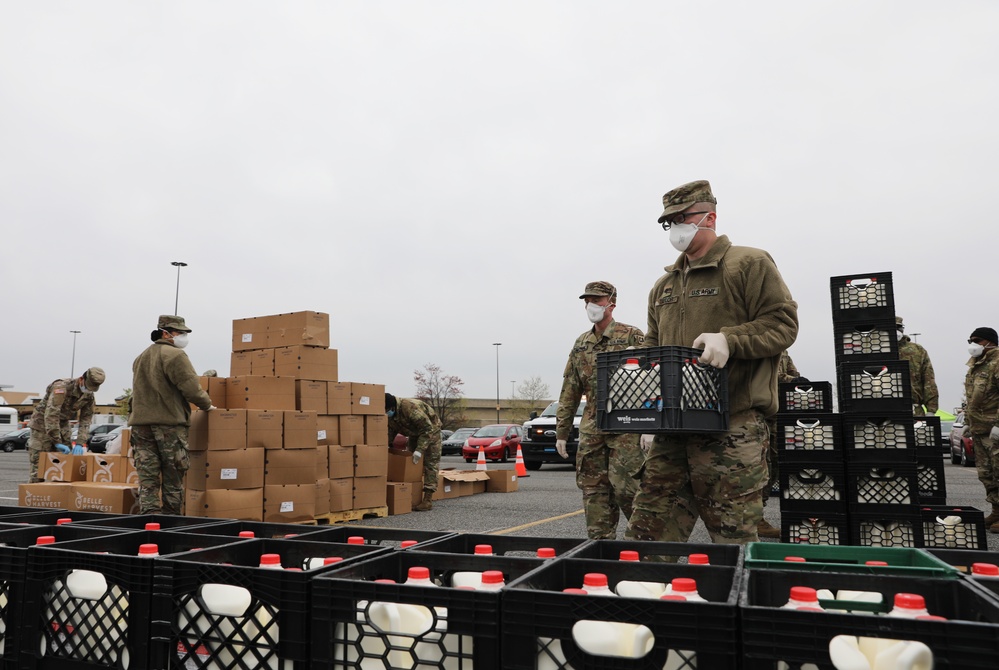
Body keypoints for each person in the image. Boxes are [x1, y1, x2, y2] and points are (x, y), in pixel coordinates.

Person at [626, 179, 798, 545]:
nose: (675, 229)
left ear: (709, 216)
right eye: (668, 222)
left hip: (731, 426)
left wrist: (730, 339)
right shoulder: (663, 286)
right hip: (672, 430)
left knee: (733, 543)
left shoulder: (748, 263)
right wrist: (647, 409)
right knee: (646, 540)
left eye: (682, 218)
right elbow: (654, 350)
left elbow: (783, 325)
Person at [556, 281, 646, 539]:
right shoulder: (582, 343)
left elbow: (653, 383)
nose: (591, 305)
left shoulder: (632, 335)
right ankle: (600, 548)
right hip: (592, 428)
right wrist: (562, 431)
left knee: (628, 489)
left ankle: (642, 549)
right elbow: (570, 389)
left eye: (597, 300)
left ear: (611, 303)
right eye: (588, 301)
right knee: (593, 490)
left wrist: (651, 428)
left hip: (626, 426)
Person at [130, 315, 214, 515]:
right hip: (168, 426)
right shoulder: (175, 355)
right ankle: (170, 522)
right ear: (166, 333)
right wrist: (207, 405)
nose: (184, 337)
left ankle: (149, 519)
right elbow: (191, 388)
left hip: (141, 426)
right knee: (173, 475)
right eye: (180, 332)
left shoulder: (141, 357)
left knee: (147, 477)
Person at [27, 367, 105, 482]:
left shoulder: (88, 395)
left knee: (65, 468)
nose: (89, 390)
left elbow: (85, 420)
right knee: (39, 468)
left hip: (62, 425)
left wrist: (80, 443)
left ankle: (59, 497)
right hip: (42, 425)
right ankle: (35, 496)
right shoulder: (61, 387)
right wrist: (57, 441)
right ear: (82, 379)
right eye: (88, 386)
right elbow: (51, 414)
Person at [758, 350, 802, 539]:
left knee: (774, 464)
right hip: (760, 414)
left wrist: (797, 380)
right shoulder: (759, 348)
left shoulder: (783, 352)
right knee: (760, 466)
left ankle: (759, 513)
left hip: (778, 416)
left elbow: (795, 374)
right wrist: (789, 380)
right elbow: (765, 376)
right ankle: (754, 518)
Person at [963, 326, 999, 533]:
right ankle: (997, 510)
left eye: (977, 341)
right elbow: (973, 399)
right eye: (970, 341)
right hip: (979, 430)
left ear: (989, 342)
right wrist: (969, 421)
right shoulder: (976, 366)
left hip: (995, 430)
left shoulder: (997, 362)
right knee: (987, 474)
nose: (973, 345)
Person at [385, 393, 442, 511]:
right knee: (410, 462)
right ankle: (409, 496)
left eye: (386, 410)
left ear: (392, 407)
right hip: (414, 433)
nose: (386, 413)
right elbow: (391, 430)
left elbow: (427, 429)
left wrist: (419, 450)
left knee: (430, 463)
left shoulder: (410, 408)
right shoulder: (391, 413)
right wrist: (386, 445)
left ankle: (428, 499)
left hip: (431, 431)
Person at [896, 316, 939, 416]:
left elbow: (929, 380)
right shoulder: (875, 351)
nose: (896, 331)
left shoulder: (917, 350)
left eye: (898, 328)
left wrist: (931, 409)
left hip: (913, 409)